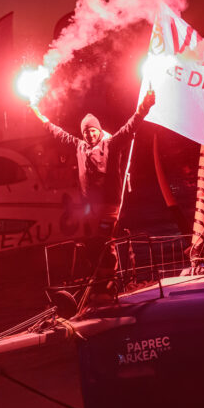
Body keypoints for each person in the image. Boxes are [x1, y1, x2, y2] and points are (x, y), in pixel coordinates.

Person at [31, 89, 156, 301]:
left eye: (93, 131)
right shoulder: (79, 147)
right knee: (91, 246)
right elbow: (58, 133)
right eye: (86, 132)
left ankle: (109, 287)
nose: (90, 135)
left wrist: (144, 107)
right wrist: (39, 116)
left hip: (109, 207)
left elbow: (130, 127)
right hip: (89, 209)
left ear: (98, 131)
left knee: (105, 243)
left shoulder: (111, 145)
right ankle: (98, 286)